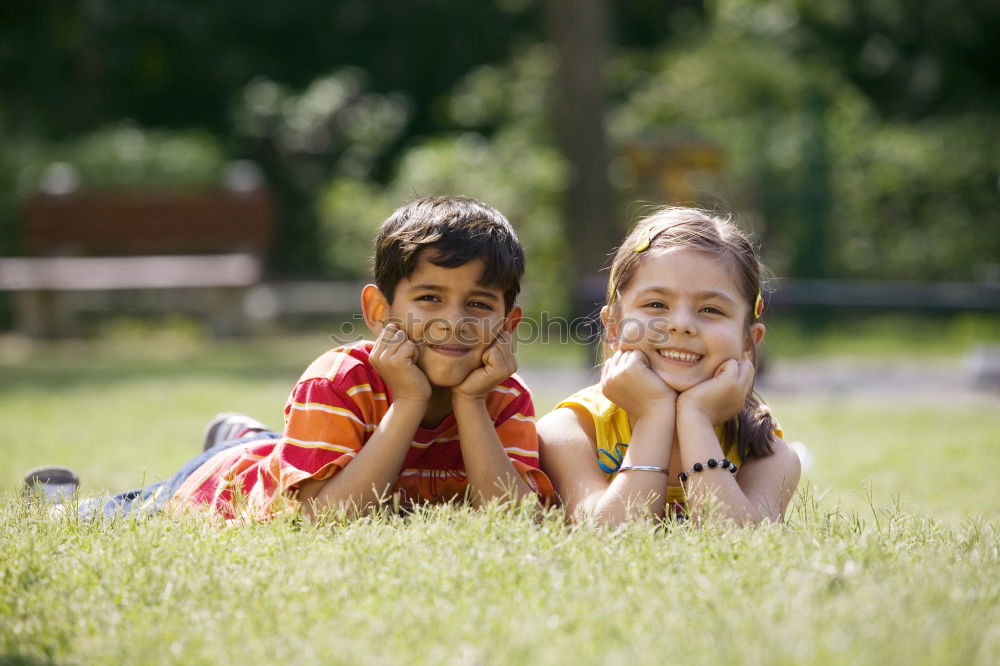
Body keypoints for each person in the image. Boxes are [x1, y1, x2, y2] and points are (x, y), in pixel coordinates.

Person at [24, 195, 553, 522]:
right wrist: (410, 399)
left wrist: (470, 402)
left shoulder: (503, 395)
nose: (453, 321)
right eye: (430, 297)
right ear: (378, 310)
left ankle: (252, 437)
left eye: (479, 305)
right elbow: (326, 519)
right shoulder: (342, 379)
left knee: (284, 449)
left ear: (507, 324)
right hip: (232, 484)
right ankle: (63, 500)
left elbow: (513, 519)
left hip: (305, 453)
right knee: (142, 508)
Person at [537, 207, 800, 526]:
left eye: (710, 309)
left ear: (748, 341)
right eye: (656, 305)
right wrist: (654, 414)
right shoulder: (570, 431)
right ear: (614, 327)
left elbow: (744, 543)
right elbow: (607, 537)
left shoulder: (766, 451)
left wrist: (697, 418)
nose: (680, 325)